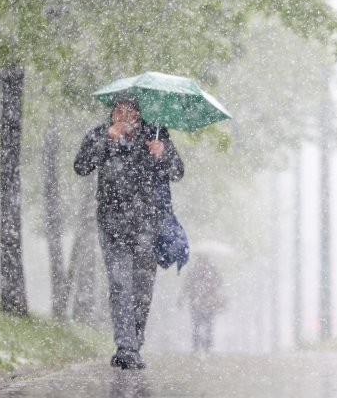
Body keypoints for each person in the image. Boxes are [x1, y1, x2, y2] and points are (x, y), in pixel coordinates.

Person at [74, 94, 184, 369]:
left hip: (148, 224)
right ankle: (126, 346)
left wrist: (164, 153)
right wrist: (106, 140)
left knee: (143, 288)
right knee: (120, 284)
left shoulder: (155, 135)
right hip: (112, 223)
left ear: (138, 114)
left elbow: (178, 172)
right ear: (112, 114)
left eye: (129, 112)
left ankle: (136, 339)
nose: (123, 117)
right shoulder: (101, 135)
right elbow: (81, 166)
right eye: (118, 111)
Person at [180, 256, 226, 353]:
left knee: (200, 325)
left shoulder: (194, 271)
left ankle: (199, 346)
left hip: (200, 302)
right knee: (204, 325)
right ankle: (204, 346)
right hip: (205, 302)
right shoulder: (211, 271)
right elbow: (220, 283)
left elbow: (187, 285)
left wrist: (183, 298)